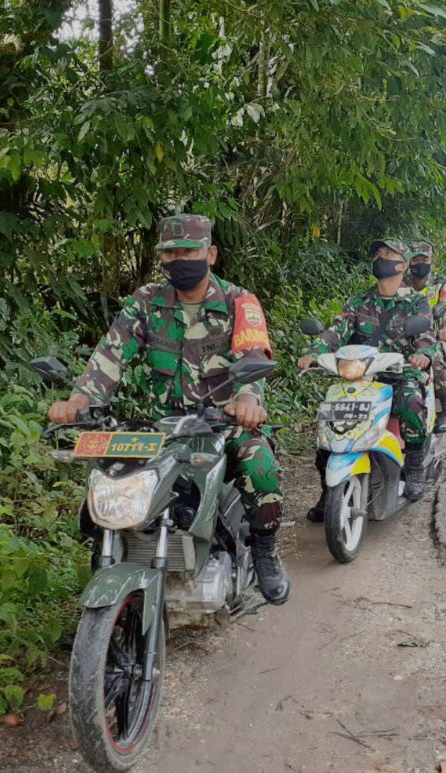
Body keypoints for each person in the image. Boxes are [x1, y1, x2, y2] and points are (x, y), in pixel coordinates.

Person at [47, 214, 290, 605]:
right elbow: (109, 357)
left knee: (258, 463)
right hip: (158, 427)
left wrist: (247, 400)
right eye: (170, 252)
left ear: (210, 254)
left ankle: (265, 551)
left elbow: (253, 355)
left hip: (221, 423)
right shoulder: (145, 301)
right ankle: (108, 592)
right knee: (110, 480)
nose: (179, 259)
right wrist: (81, 400)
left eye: (189, 251)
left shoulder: (239, 302)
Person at [299, 238, 436, 520]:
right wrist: (315, 352)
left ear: (402, 264)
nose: (380, 257)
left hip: (399, 372)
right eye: (377, 253)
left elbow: (426, 336)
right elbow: (335, 331)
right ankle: (330, 491)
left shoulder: (415, 302)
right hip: (358, 374)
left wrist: (422, 355)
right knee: (329, 419)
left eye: (388, 253)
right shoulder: (359, 301)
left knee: (410, 402)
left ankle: (413, 468)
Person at [404, 240, 446, 433]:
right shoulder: (400, 284)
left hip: (433, 336)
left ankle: (444, 410)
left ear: (431, 261)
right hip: (402, 337)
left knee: (434, 361)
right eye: (415, 259)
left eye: (423, 259)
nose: (419, 263)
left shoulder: (442, 284)